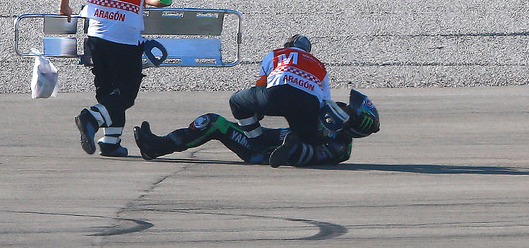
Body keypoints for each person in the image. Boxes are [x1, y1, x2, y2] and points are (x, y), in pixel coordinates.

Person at [60, 0, 173, 157]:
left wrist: (65, 6)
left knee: (107, 89)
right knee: (126, 92)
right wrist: (147, 0)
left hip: (95, 35)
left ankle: (110, 142)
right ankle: (90, 117)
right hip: (125, 38)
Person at [132, 89, 380, 167]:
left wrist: (292, 147)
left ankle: (156, 147)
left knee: (213, 122)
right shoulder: (324, 117)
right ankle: (158, 145)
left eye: (349, 109)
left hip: (262, 151)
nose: (343, 107)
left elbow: (310, 157)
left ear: (354, 124)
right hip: (260, 137)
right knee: (211, 121)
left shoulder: (341, 147)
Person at [228, 34, 332, 166]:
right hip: (309, 103)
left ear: (288, 46)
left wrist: (257, 110)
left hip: (278, 94)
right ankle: (296, 144)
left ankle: (258, 146)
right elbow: (325, 102)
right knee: (307, 139)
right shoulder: (320, 65)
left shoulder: (275, 54)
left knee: (236, 102)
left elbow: (261, 84)